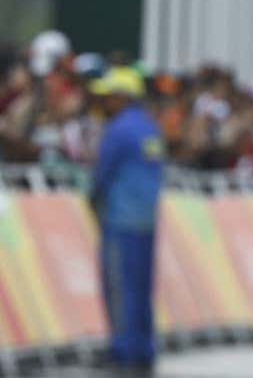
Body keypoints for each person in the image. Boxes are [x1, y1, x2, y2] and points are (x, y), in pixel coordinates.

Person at [87, 66, 163, 376]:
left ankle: (124, 348)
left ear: (122, 97)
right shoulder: (149, 128)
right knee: (142, 287)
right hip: (146, 220)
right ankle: (143, 348)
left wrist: (94, 202)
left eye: (109, 97)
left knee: (120, 287)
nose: (104, 102)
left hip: (121, 219)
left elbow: (102, 174)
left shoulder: (118, 129)